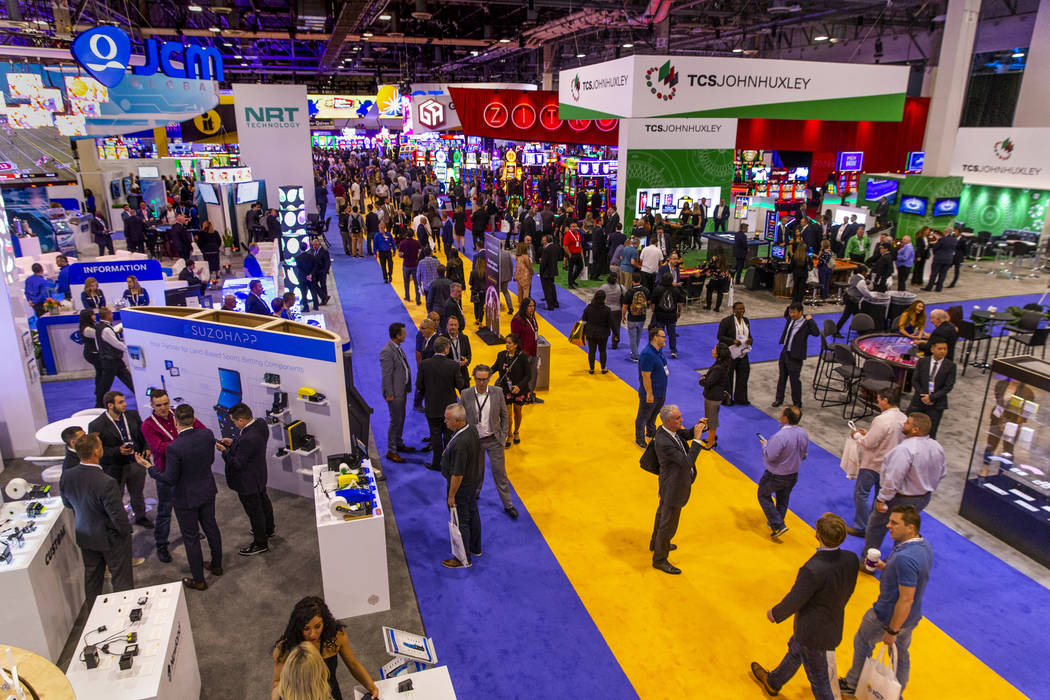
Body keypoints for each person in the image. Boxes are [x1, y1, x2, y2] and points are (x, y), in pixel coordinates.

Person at [750, 513, 859, 700]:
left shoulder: (813, 569)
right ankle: (773, 681)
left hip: (812, 632)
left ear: (817, 535)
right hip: (832, 623)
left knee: (819, 679)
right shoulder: (851, 559)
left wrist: (775, 614)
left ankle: (774, 681)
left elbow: (796, 598)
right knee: (796, 650)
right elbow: (848, 589)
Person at [840, 506, 933, 698]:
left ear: (910, 527)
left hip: (887, 617)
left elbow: (906, 599)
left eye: (894, 523)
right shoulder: (923, 546)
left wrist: (892, 630)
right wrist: (886, 566)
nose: (888, 525)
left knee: (863, 642)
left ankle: (851, 684)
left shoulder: (904, 558)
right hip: (911, 617)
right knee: (901, 655)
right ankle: (896, 693)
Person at [141, 403, 222, 591]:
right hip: (207, 490)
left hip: (185, 499)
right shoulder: (207, 434)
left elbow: (169, 478)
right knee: (212, 529)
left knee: (191, 538)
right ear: (194, 419)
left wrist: (150, 468)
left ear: (176, 422)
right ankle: (217, 566)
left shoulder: (174, 448)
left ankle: (199, 580)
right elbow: (209, 460)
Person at [60, 433, 142, 600]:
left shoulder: (67, 475)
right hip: (111, 539)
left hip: (85, 535)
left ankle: (93, 617)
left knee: (92, 580)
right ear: (96, 451)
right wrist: (126, 533)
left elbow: (68, 504)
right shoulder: (106, 482)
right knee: (121, 581)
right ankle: (123, 616)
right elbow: (117, 516)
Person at [861, 413, 946, 559]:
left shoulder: (905, 449)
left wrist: (882, 499)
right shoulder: (937, 447)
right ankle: (896, 559)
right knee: (905, 529)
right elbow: (942, 472)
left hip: (900, 499)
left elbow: (893, 477)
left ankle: (868, 560)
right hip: (923, 497)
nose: (903, 424)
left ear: (915, 430)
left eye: (907, 423)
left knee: (876, 525)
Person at [140, 389, 206, 563]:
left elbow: (201, 429)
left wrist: (180, 443)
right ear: (152, 405)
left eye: (165, 404)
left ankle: (191, 532)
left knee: (191, 504)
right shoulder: (148, 425)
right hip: (166, 473)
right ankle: (161, 544)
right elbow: (158, 448)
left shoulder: (178, 415)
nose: (163, 408)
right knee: (165, 511)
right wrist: (184, 442)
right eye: (159, 405)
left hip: (187, 470)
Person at [273, 596, 380, 700]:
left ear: (325, 622)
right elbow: (277, 683)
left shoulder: (336, 637)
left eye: (317, 626)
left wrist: (372, 687)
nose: (312, 634)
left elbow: (353, 664)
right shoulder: (284, 648)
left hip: (330, 693)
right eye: (306, 628)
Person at [649, 404, 707, 575]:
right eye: (678, 418)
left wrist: (699, 428)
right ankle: (660, 559)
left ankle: (656, 543)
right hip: (674, 487)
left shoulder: (667, 431)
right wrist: (697, 441)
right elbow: (687, 461)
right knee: (669, 525)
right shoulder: (664, 442)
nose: (682, 420)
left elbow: (686, 434)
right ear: (668, 421)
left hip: (669, 484)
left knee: (662, 514)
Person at [846, 388, 908, 538]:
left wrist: (857, 436)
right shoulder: (904, 418)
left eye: (879, 400)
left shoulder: (881, 420)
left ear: (886, 401)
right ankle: (875, 524)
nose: (878, 403)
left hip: (873, 463)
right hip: (891, 466)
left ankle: (861, 526)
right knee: (880, 497)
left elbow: (869, 443)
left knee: (861, 493)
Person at [460, 365, 519, 519]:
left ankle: (508, 504)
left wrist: (503, 435)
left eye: (484, 379)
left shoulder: (497, 392)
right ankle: (475, 495)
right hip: (475, 442)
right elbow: (460, 418)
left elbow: (505, 415)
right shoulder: (465, 394)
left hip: (494, 440)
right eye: (478, 379)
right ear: (474, 378)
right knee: (476, 472)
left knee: (500, 474)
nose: (481, 383)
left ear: (489, 378)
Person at [216, 403, 275, 556]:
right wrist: (234, 442)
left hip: (247, 481)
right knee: (264, 502)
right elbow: (249, 448)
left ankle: (260, 543)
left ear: (241, 420)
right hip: (259, 474)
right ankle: (268, 530)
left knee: (254, 512)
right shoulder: (261, 424)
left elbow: (236, 463)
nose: (234, 425)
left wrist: (224, 451)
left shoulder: (248, 438)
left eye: (234, 422)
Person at [441, 403, 482, 568]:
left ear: (458, 421)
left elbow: (457, 474)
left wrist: (451, 495)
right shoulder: (471, 430)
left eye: (448, 419)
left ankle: (463, 558)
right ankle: (475, 547)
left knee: (460, 520)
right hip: (472, 482)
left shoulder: (459, 444)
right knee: (472, 513)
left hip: (461, 487)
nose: (445, 421)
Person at [758, 405, 809, 538]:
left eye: (781, 414)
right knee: (783, 498)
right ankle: (777, 520)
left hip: (776, 475)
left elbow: (770, 456)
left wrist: (765, 446)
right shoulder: (803, 433)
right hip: (793, 474)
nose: (779, 415)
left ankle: (778, 524)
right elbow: (804, 454)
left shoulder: (780, 436)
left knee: (763, 495)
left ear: (785, 418)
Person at [419, 336, 466, 471]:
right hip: (449, 408)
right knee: (449, 436)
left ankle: (436, 463)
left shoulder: (424, 364)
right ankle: (449, 463)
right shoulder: (453, 365)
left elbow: (419, 386)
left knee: (435, 436)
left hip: (432, 406)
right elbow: (460, 385)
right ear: (446, 349)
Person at [906, 339, 955, 439]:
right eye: (940, 348)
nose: (942, 351)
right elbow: (915, 381)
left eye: (945, 349)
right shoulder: (922, 362)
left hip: (936, 403)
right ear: (932, 349)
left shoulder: (951, 366)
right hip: (919, 400)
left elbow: (948, 386)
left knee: (931, 432)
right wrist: (923, 395)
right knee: (908, 426)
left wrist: (931, 398)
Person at [773, 304, 820, 409]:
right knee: (782, 378)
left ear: (801, 312)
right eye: (791, 312)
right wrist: (791, 306)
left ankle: (797, 403)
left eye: (794, 312)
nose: (792, 314)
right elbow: (786, 312)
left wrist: (810, 320)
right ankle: (779, 399)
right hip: (785, 352)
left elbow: (816, 333)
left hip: (796, 356)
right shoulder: (790, 318)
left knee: (795, 381)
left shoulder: (806, 324)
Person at [380, 322, 414, 464]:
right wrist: (389, 394)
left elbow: (403, 368)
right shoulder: (387, 352)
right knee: (395, 420)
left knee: (401, 418)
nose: (406, 335)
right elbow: (386, 375)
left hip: (401, 390)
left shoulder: (398, 347)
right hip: (394, 393)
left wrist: (406, 386)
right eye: (403, 333)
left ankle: (398, 442)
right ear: (397, 335)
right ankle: (391, 450)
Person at [493, 333, 530, 443]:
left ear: (515, 345)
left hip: (519, 389)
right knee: (507, 414)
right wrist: (484, 373)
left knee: (517, 411)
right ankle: (508, 434)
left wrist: (519, 386)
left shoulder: (522, 357)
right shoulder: (501, 355)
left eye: (509, 343)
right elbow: (494, 367)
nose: (507, 345)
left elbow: (528, 375)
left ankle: (516, 432)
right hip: (505, 389)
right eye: (506, 343)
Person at [635, 327, 669, 448]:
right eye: (663, 336)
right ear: (655, 337)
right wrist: (649, 393)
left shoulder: (659, 351)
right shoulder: (648, 354)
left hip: (660, 392)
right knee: (643, 416)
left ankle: (650, 432)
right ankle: (639, 438)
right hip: (651, 394)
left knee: (653, 415)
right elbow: (645, 375)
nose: (665, 339)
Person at [717, 302, 752, 406]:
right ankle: (726, 399)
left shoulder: (746, 321)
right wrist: (733, 341)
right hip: (730, 354)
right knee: (728, 377)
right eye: (739, 309)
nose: (741, 311)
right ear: (733, 310)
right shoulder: (726, 321)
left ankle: (741, 398)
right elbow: (720, 336)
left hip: (743, 353)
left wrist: (751, 340)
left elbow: (750, 335)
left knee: (743, 376)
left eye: (743, 309)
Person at [698, 343, 731, 448]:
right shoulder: (721, 365)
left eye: (714, 349)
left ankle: (711, 442)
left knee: (711, 421)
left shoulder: (718, 368)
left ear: (719, 353)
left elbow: (708, 382)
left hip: (713, 396)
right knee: (710, 418)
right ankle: (710, 438)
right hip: (714, 396)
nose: (712, 350)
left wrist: (702, 380)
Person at [510, 299, 542, 403]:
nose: (532, 308)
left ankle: (530, 396)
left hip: (533, 352)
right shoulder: (517, 320)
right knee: (523, 377)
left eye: (533, 306)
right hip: (523, 354)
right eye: (529, 306)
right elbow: (514, 339)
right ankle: (522, 397)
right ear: (524, 307)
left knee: (533, 375)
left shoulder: (532, 318)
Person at [649, 272, 684, 360]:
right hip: (671, 316)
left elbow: (652, 303)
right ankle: (673, 351)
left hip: (660, 315)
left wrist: (654, 311)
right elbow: (680, 303)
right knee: (672, 334)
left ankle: (658, 349)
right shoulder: (676, 290)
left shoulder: (657, 289)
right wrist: (679, 311)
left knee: (659, 334)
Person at [581, 289, 613, 374]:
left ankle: (591, 369)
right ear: (604, 299)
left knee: (592, 351)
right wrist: (616, 334)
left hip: (590, 333)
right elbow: (611, 323)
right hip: (603, 334)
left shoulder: (588, 308)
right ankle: (603, 368)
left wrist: (584, 331)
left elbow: (583, 320)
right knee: (602, 351)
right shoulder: (607, 310)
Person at [834, 265, 872, 334]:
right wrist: (872, 296)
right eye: (866, 272)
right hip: (852, 300)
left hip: (848, 297)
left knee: (857, 314)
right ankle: (836, 331)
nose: (867, 274)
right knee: (846, 316)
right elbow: (865, 292)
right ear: (863, 272)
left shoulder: (853, 277)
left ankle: (860, 330)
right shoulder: (861, 281)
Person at [444, 315, 472, 385]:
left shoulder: (464, 338)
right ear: (447, 326)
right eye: (451, 325)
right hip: (448, 372)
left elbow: (469, 353)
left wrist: (466, 361)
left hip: (463, 371)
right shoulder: (442, 339)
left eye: (455, 325)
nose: (453, 327)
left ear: (458, 326)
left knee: (466, 394)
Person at [398, 230, 422, 304]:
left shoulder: (402, 243)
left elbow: (400, 255)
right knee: (417, 283)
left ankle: (407, 297)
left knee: (406, 282)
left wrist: (404, 256)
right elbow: (420, 251)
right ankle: (418, 299)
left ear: (406, 235)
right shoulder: (416, 242)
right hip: (415, 264)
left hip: (406, 265)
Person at [539, 234, 561, 310]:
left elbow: (543, 263)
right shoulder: (555, 247)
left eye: (543, 240)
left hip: (546, 272)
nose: (542, 241)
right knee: (552, 287)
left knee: (547, 289)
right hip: (553, 271)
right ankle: (555, 303)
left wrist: (540, 271)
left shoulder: (546, 249)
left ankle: (550, 305)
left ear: (547, 241)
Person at [562, 222, 584, 288]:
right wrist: (569, 254)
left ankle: (572, 279)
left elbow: (579, 244)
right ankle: (570, 284)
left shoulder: (578, 234)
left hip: (578, 253)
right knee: (570, 270)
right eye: (573, 226)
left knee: (580, 267)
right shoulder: (568, 234)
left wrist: (581, 253)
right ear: (570, 227)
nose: (574, 228)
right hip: (572, 254)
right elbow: (565, 246)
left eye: (575, 226)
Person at [514, 242, 533, 306]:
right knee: (526, 290)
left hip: (518, 275)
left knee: (520, 290)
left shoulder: (517, 256)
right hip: (525, 276)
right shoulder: (525, 257)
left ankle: (520, 303)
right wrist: (532, 271)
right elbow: (529, 266)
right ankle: (524, 305)